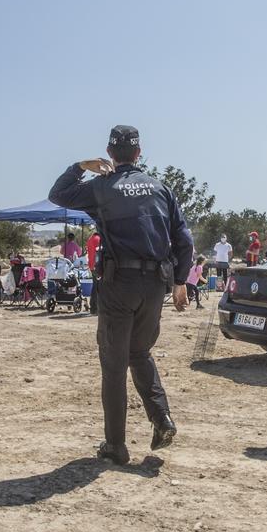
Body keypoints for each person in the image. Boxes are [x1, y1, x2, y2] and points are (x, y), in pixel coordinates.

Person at [48, 125, 193, 465]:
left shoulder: (102, 187)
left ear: (110, 155)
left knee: (114, 365)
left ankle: (116, 445)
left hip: (119, 284)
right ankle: (162, 418)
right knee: (140, 352)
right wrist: (181, 281)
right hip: (156, 284)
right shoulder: (161, 189)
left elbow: (59, 194)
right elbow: (184, 240)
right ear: (139, 153)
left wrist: (82, 166)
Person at [86, 231, 102, 315]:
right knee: (99, 288)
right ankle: (95, 309)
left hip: (92, 266)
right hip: (98, 266)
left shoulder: (90, 239)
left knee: (95, 287)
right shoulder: (99, 239)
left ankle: (93, 308)